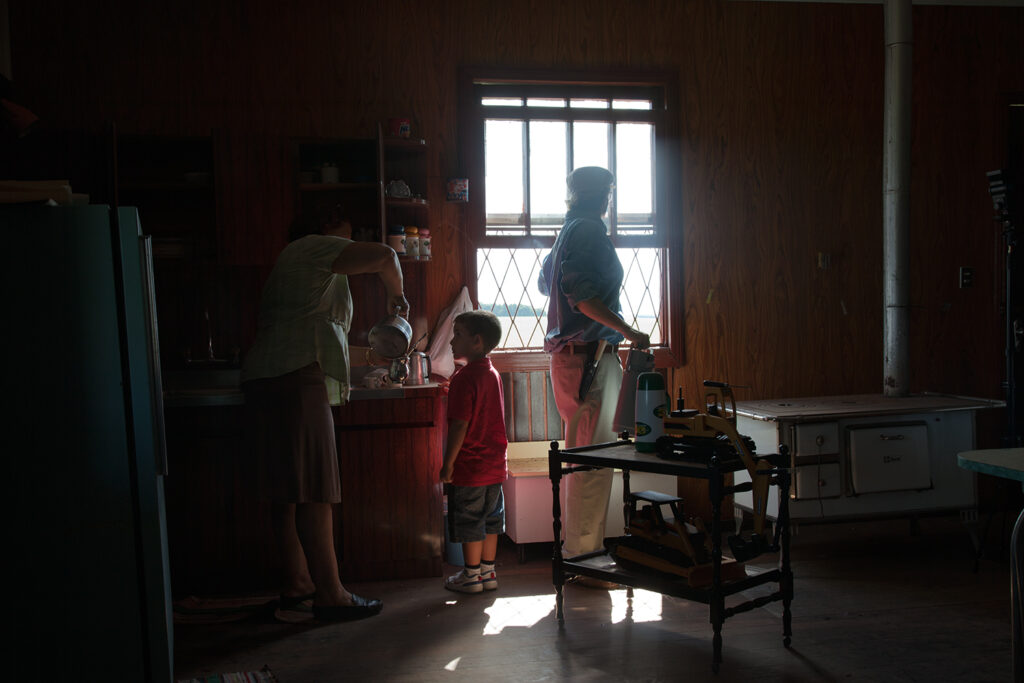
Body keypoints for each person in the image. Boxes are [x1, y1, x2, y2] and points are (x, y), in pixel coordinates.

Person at [241, 205, 408, 620]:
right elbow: (386, 257)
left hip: (271, 376)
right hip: (297, 380)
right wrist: (396, 296)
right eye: (345, 235)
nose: (349, 243)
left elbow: (319, 333)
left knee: (289, 491)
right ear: (326, 229)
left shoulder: (300, 264)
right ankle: (331, 594)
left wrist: (374, 354)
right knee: (316, 491)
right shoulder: (315, 249)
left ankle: (298, 584)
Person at [537, 166, 651, 586]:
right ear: (605, 195)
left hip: (573, 357)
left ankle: (581, 553)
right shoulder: (587, 231)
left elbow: (545, 281)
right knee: (591, 461)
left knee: (583, 458)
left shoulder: (568, 230)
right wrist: (629, 330)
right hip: (588, 356)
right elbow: (581, 296)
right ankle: (584, 560)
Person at [439, 310, 509, 594]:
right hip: (495, 465)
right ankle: (487, 573)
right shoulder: (492, 373)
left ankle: (470, 576)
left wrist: (448, 465)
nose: (452, 342)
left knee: (470, 522)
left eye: (458, 335)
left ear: (477, 341)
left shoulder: (463, 378)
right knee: (491, 521)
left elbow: (459, 426)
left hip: (470, 466)